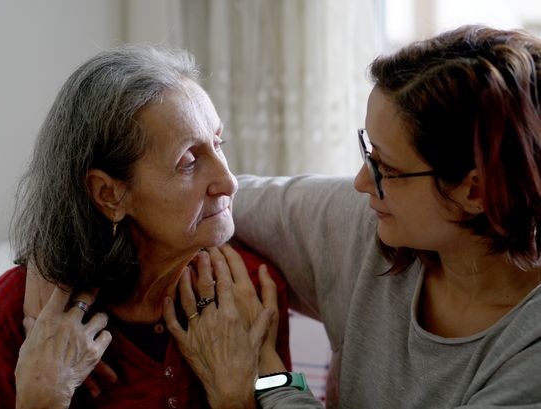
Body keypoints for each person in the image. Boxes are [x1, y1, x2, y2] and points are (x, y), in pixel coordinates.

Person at [164, 25, 541, 408]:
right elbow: (213, 202)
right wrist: (99, 259)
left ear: (474, 191)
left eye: (387, 168)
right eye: (368, 152)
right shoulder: (370, 224)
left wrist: (264, 373)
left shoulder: (530, 355)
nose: (362, 182)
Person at [0, 44, 291, 409]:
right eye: (189, 161)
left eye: (219, 143)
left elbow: (283, 391)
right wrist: (41, 400)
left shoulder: (253, 292)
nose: (229, 182)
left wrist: (238, 398)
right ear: (109, 194)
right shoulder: (18, 312)